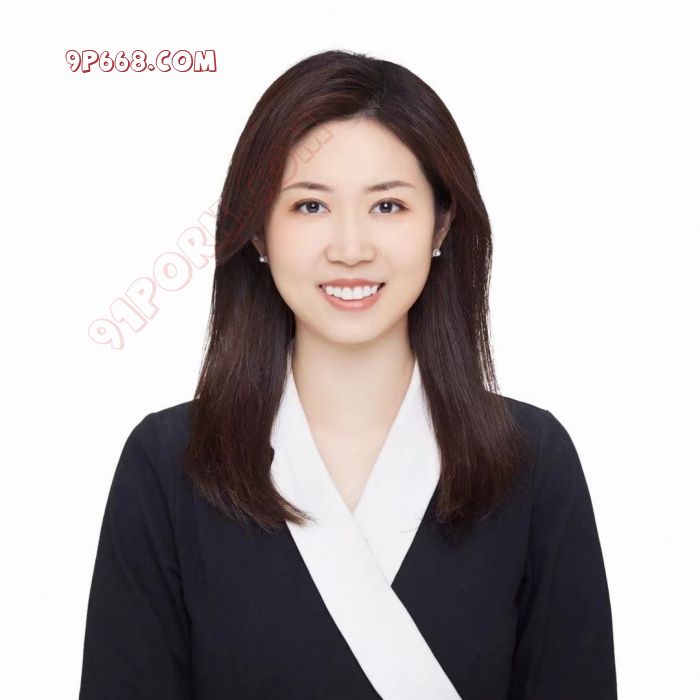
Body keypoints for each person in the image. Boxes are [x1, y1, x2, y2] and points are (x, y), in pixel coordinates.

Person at [79, 49, 617, 699]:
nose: (351, 248)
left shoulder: (530, 461)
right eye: (310, 207)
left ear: (442, 222)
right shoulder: (170, 465)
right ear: (258, 231)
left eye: (388, 206)